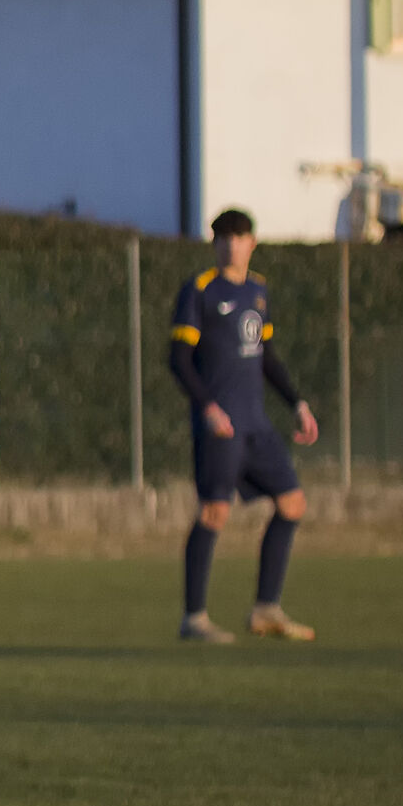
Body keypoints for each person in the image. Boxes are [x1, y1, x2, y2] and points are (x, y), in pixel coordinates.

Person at [169, 209, 319, 643]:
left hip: (257, 425)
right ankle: (193, 618)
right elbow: (178, 361)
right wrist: (208, 408)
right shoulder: (199, 291)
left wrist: (297, 403)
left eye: (237, 237)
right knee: (215, 512)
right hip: (220, 427)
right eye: (221, 237)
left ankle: (265, 609)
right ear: (215, 243)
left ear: (252, 241)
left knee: (293, 504)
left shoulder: (259, 290)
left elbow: (266, 355)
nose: (229, 244)